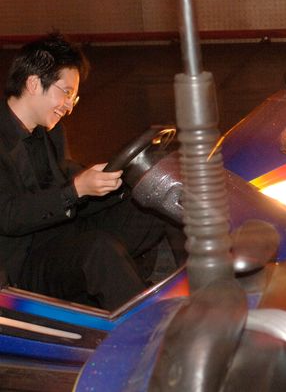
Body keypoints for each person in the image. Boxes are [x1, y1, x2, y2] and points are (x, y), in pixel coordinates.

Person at [0, 33, 173, 311]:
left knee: (152, 200)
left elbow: (69, 179)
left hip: (63, 234)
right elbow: (8, 216)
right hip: (24, 263)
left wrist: (119, 181)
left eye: (74, 96)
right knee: (98, 249)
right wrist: (76, 190)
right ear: (33, 83)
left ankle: (206, 288)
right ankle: (150, 332)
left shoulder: (50, 133)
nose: (69, 106)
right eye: (66, 92)